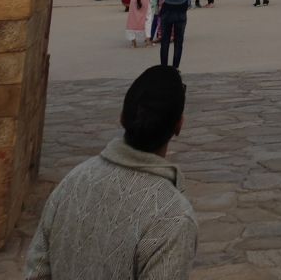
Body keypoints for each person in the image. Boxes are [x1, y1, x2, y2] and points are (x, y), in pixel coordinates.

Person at [24, 66, 197, 280]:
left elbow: (37, 271)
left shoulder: (74, 181)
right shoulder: (171, 216)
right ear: (179, 126)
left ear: (122, 117)